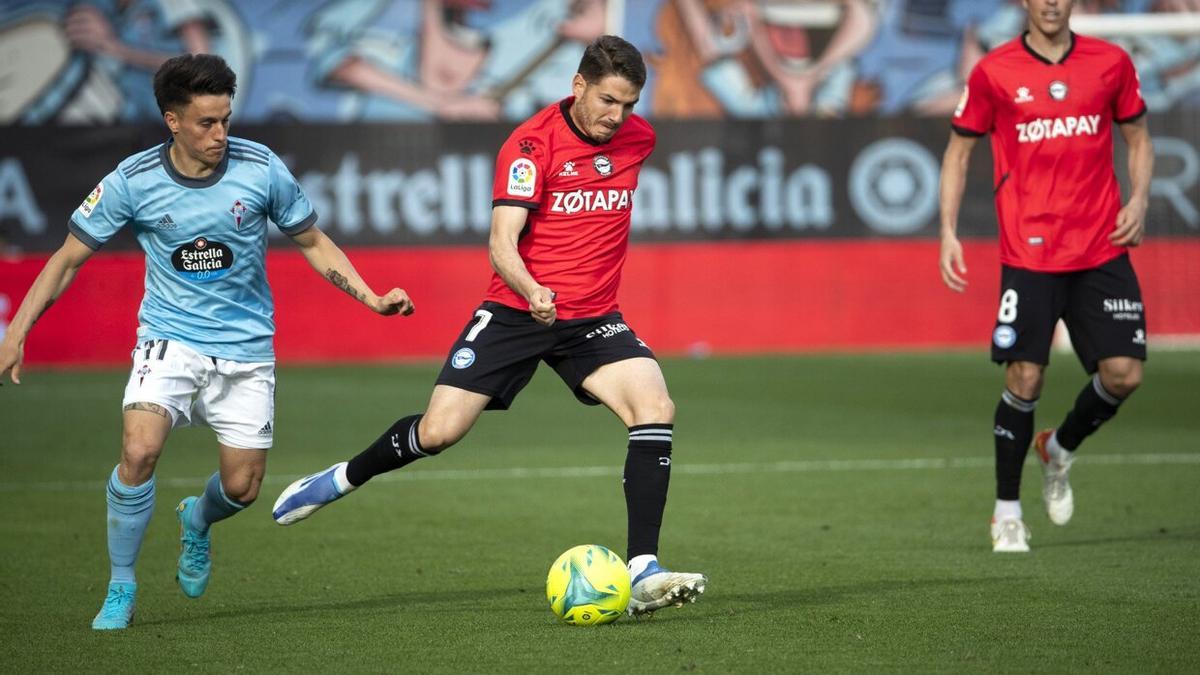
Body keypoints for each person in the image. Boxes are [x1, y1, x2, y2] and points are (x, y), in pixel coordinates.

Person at [273, 35, 707, 616]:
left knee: (655, 407)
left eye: (628, 104)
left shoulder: (638, 139)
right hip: (516, 312)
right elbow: (502, 243)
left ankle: (643, 569)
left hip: (593, 318)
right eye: (607, 100)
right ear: (578, 86)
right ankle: (342, 478)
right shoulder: (529, 147)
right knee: (438, 433)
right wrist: (533, 291)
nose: (617, 116)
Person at [0, 54, 414, 629]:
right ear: (172, 120)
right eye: (206, 123)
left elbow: (314, 241)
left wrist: (370, 297)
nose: (220, 134)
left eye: (225, 120)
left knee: (243, 488)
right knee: (138, 451)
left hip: (246, 349)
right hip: (169, 339)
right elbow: (67, 259)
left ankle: (196, 519)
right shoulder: (132, 181)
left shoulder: (260, 168)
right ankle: (121, 586)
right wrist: (17, 332)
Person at [938, 0, 1153, 552]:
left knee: (1125, 375)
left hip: (1102, 246)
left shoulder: (1110, 62)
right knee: (1025, 378)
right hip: (1029, 252)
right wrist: (948, 231)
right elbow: (959, 152)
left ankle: (1058, 448)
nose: (1052, 2)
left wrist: (1139, 200)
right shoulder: (994, 71)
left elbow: (1138, 137)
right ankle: (1006, 512)